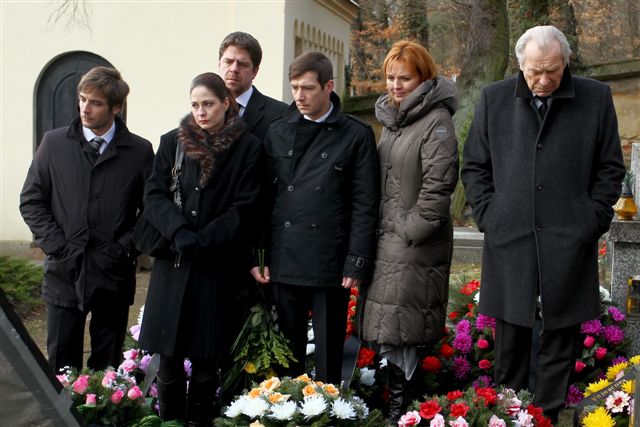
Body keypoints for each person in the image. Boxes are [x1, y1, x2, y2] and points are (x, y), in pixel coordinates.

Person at [461, 25, 625, 422]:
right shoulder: (495, 98)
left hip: (571, 235)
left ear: (565, 62)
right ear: (520, 64)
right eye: (535, 70)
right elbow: (475, 166)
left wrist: (591, 219)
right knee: (510, 336)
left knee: (562, 335)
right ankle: (508, 413)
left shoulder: (595, 97)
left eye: (553, 69)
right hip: (509, 234)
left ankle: (548, 415)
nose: (544, 79)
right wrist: (491, 216)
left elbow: (610, 168)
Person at [137, 72, 262, 425]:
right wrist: (178, 232)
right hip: (173, 262)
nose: (201, 112)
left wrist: (203, 240)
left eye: (208, 104)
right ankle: (171, 422)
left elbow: (245, 207)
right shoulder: (172, 141)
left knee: (207, 358)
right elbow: (154, 195)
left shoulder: (248, 147)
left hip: (216, 266)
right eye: (195, 105)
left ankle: (200, 422)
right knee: (168, 357)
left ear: (226, 103)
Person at [251, 51, 379, 385]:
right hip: (285, 255)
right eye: (294, 87)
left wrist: (357, 260)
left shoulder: (356, 134)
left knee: (329, 356)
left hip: (330, 259)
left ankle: (328, 407)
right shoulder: (278, 131)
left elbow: (365, 203)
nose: (299, 96)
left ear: (328, 87)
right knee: (287, 357)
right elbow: (264, 199)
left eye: (307, 88)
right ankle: (285, 407)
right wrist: (259, 255)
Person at [19, 67, 154, 373]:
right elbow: (31, 200)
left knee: (107, 370)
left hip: (113, 273)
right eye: (82, 99)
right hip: (64, 272)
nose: (85, 108)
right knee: (61, 369)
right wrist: (57, 246)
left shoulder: (139, 151)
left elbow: (151, 211)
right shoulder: (54, 143)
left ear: (116, 108)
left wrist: (125, 249)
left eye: (95, 103)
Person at [361, 40, 459, 423]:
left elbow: (438, 187)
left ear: (424, 78)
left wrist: (407, 229)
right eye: (390, 77)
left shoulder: (436, 121)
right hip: (388, 241)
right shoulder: (395, 121)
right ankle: (395, 409)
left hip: (413, 245)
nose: (396, 85)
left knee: (403, 331)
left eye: (405, 78)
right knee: (389, 329)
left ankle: (403, 412)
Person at [218, 31, 287, 140]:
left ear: (255, 71)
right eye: (228, 61)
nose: (234, 69)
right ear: (219, 65)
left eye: (243, 64)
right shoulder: (202, 111)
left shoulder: (280, 115)